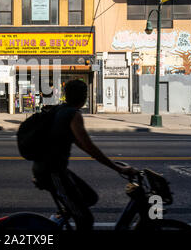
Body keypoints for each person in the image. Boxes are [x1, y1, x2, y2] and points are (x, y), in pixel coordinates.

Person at [32, 80, 138, 230]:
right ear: (82, 97)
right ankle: (58, 220)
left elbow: (83, 145)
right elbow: (90, 147)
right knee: (86, 219)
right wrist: (118, 168)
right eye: (86, 94)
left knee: (90, 197)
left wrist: (112, 164)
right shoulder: (73, 115)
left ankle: (60, 217)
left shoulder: (61, 109)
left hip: (50, 168)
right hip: (52, 172)